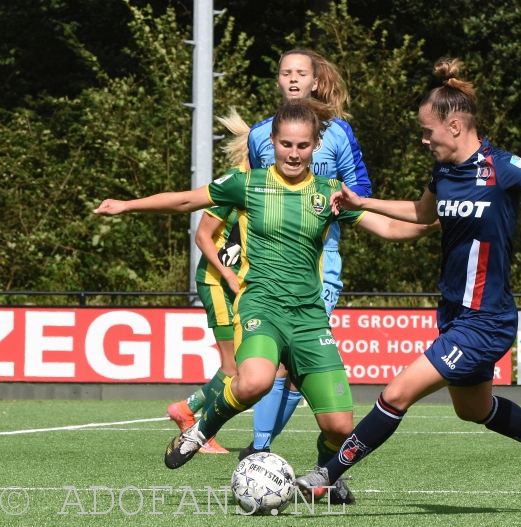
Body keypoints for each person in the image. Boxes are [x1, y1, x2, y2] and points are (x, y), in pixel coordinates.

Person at [296, 58, 521, 507]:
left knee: (396, 393)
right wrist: (363, 201)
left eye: (428, 131)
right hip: (456, 314)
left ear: (455, 125)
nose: (424, 140)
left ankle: (326, 475)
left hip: (488, 319)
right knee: (473, 409)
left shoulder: (502, 167)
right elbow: (422, 215)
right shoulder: (443, 173)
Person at [95, 99, 436, 504]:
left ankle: (325, 474)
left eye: (303, 146)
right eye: (286, 144)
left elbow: (388, 228)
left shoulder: (330, 193)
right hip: (262, 306)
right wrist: (127, 206)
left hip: (309, 318)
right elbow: (187, 201)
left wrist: (434, 225)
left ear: (315, 146)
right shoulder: (247, 182)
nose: (294, 153)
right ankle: (201, 430)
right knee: (255, 380)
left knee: (341, 428)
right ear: (271, 142)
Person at [237, 49, 374, 462]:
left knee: (295, 372)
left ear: (315, 81)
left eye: (301, 73)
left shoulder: (339, 133)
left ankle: (311, 465)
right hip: (267, 265)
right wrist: (230, 239)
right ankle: (259, 452)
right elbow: (250, 194)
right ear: (277, 81)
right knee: (274, 364)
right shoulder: (261, 134)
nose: (293, 79)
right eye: (285, 72)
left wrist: (347, 204)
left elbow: (360, 193)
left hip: (319, 264)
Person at [164, 108, 250, 454]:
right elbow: (203, 237)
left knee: (243, 366)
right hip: (216, 281)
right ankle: (195, 426)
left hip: (235, 284)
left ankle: (187, 410)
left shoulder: (269, 183)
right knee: (233, 367)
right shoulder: (237, 181)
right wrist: (227, 273)